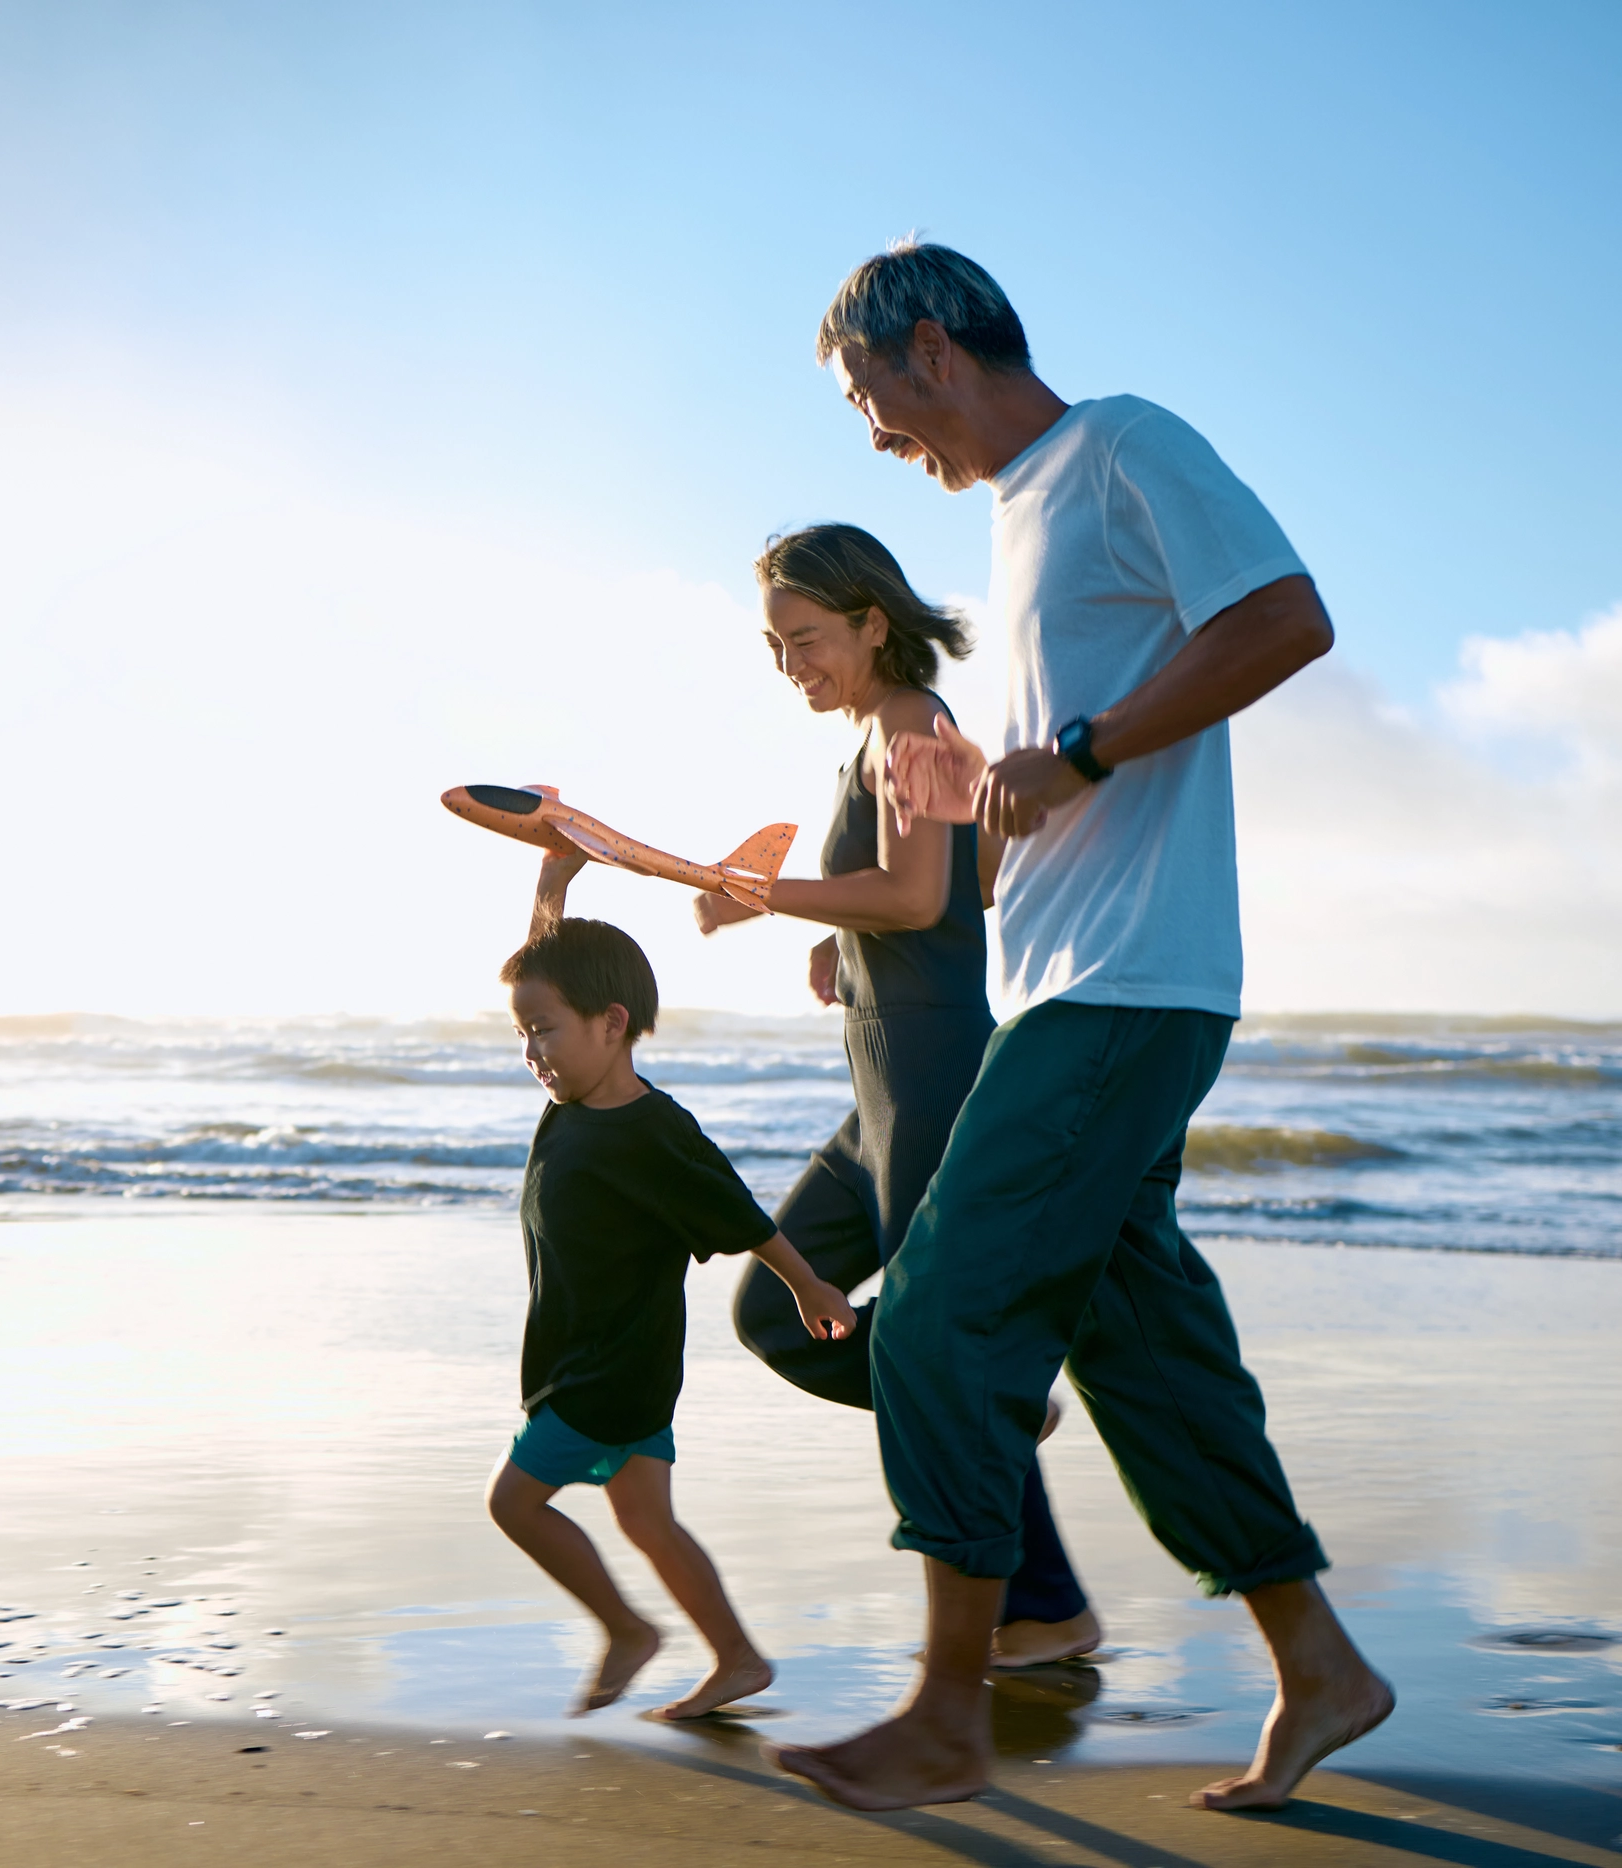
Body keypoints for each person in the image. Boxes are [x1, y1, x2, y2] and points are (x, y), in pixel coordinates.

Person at [768, 242, 1394, 1814]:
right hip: (1062, 980)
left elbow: (1286, 619)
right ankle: (1321, 1664)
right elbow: (1061, 774)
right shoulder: (1016, 517)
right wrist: (979, 796)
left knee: (933, 1319)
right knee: (1148, 1356)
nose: (875, 437)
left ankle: (947, 1709)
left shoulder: (1121, 444)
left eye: (869, 399)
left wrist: (1087, 750)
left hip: (1128, 989)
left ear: (930, 348)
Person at [694, 521, 1099, 1669]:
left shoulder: (915, 723)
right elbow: (971, 873)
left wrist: (769, 895)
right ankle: (997, 1419)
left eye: (807, 639)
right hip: (879, 1085)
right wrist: (839, 939)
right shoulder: (889, 732)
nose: (792, 667)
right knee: (775, 1307)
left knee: (937, 1349)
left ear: (874, 618)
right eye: (776, 647)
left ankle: (1045, 1604)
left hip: (929, 1076)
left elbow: (920, 897)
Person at [488, 858, 859, 1720]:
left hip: (606, 1370)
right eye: (521, 1034)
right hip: (621, 1359)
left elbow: (741, 1212)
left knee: (513, 1503)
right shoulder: (577, 1099)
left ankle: (625, 1629)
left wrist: (808, 1287)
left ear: (611, 1024)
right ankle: (736, 1659)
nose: (531, 1052)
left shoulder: (651, 1133)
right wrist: (553, 875)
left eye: (542, 1030)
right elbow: (545, 956)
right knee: (648, 1522)